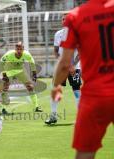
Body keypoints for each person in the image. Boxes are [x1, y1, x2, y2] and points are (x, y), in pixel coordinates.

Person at [51, 0, 114, 158]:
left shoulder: (77, 16)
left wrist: (56, 84)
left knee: (85, 153)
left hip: (95, 95)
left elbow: (65, 62)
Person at [45, 14, 82, 125]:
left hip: (75, 67)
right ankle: (53, 115)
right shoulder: (58, 34)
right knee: (55, 89)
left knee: (76, 90)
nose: (64, 21)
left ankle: (81, 117)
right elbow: (56, 51)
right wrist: (60, 62)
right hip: (62, 68)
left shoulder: (77, 34)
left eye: (66, 19)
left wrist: (73, 65)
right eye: (63, 19)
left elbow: (80, 52)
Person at [0, 41, 42, 114]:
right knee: (5, 88)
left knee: (30, 87)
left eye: (20, 49)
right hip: (9, 70)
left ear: (23, 49)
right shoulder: (9, 54)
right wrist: (4, 74)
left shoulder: (26, 54)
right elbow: (1, 62)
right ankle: (3, 109)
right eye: (17, 49)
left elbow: (32, 62)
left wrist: (34, 73)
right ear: (15, 49)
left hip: (20, 71)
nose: (19, 51)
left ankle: (36, 107)